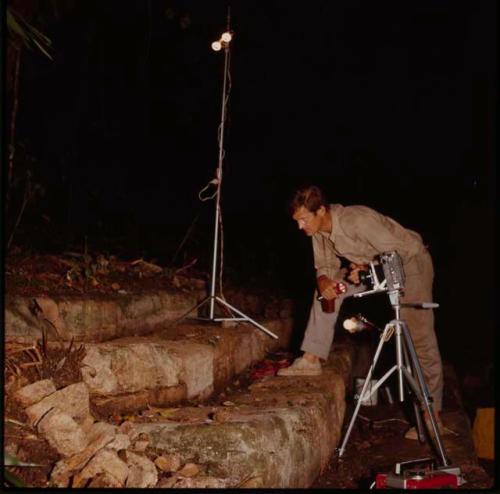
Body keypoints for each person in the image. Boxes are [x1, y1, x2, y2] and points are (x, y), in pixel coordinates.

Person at [277, 185, 446, 439]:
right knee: (325, 291)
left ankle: (432, 415)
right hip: (372, 269)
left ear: (321, 210)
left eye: (303, 219)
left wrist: (368, 266)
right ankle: (311, 359)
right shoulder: (318, 232)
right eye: (297, 221)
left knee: (419, 339)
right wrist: (324, 280)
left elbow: (403, 251)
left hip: (410, 266)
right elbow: (324, 266)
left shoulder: (357, 220)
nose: (300, 226)